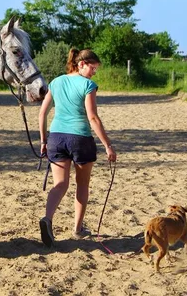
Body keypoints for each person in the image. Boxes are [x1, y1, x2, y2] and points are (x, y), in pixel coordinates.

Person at [37, 48, 116, 248]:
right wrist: (108, 145)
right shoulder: (88, 85)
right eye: (92, 67)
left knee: (60, 184)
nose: (94, 72)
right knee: (82, 185)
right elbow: (92, 117)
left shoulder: (56, 82)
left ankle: (47, 219)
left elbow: (42, 113)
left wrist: (43, 140)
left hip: (56, 137)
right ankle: (78, 229)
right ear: (81, 64)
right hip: (80, 138)